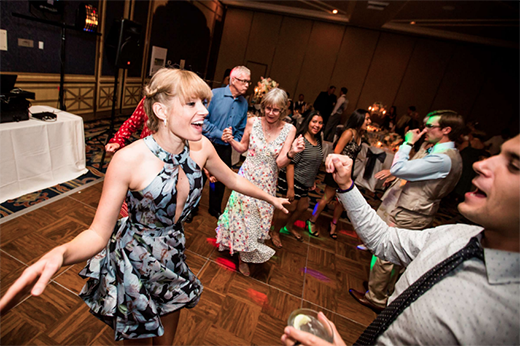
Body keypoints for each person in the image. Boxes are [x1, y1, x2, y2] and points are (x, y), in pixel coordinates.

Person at [0, 68, 290, 345]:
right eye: (191, 103)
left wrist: (270, 197)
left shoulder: (202, 148)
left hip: (173, 253)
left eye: (204, 102)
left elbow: (233, 180)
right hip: (134, 263)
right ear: (161, 111)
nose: (204, 111)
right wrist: (60, 254)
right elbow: (97, 235)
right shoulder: (128, 159)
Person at [282, 134, 520, 345]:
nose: (480, 164)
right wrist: (346, 185)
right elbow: (384, 240)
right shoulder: (457, 235)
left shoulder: (511, 316)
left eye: (515, 165)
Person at [350, 110, 464, 313]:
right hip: (416, 209)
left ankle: (376, 297)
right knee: (398, 255)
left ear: (447, 130)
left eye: (430, 126)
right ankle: (383, 291)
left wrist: (408, 142)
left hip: (412, 211)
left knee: (388, 252)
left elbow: (401, 168)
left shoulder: (444, 159)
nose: (425, 129)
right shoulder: (441, 152)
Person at [217, 88, 305, 276]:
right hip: (246, 176)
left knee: (256, 221)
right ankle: (242, 258)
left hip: (266, 182)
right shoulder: (253, 122)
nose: (270, 113)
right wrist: (231, 139)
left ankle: (246, 253)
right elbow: (242, 148)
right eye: (267, 108)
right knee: (241, 217)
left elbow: (281, 162)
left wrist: (292, 153)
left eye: (275, 110)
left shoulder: (289, 130)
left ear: (283, 111)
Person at [305, 109, 371, 238]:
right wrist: (338, 170)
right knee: (327, 197)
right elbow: (336, 151)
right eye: (367, 119)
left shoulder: (360, 134)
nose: (369, 122)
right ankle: (312, 220)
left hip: (347, 172)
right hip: (337, 169)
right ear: (359, 119)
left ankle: (333, 224)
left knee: (342, 201)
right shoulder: (348, 133)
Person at [202, 66, 251, 218]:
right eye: (244, 81)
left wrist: (233, 139)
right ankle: (191, 208)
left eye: (249, 82)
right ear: (234, 80)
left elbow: (241, 128)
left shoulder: (244, 103)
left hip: (225, 148)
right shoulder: (213, 95)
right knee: (199, 178)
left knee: (222, 180)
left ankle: (215, 209)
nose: (247, 85)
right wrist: (219, 134)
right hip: (206, 144)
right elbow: (201, 121)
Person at [271, 110, 324, 248]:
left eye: (320, 123)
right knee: (289, 208)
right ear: (308, 122)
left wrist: (312, 180)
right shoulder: (301, 140)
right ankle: (275, 232)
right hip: (293, 180)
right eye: (314, 122)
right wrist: (290, 188)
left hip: (305, 181)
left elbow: (315, 162)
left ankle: (288, 226)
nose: (317, 125)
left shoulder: (318, 140)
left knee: (303, 206)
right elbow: (290, 165)